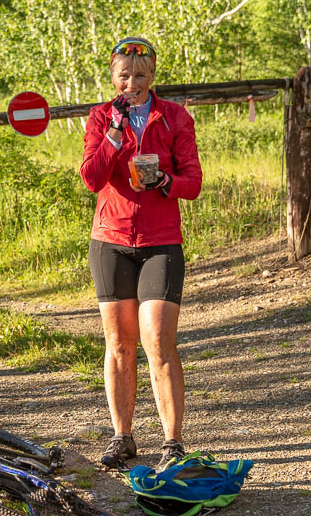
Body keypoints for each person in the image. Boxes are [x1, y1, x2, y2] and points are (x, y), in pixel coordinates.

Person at [80, 37, 202, 471]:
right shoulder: (99, 117)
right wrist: (113, 134)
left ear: (153, 78)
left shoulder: (174, 117)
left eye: (141, 75)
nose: (132, 82)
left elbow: (194, 181)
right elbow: (92, 178)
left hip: (160, 241)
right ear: (113, 78)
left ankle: (172, 442)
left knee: (158, 340)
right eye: (124, 75)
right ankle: (122, 436)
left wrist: (164, 182)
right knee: (118, 343)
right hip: (110, 240)